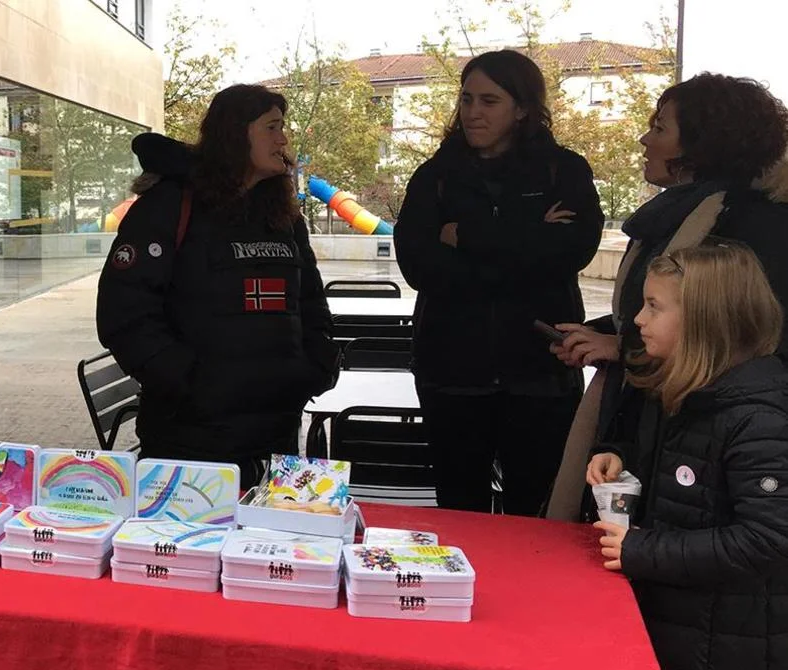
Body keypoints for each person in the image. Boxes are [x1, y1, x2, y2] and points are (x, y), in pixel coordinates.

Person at [547, 73, 788, 521]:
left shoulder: (755, 227)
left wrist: (623, 346)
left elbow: (743, 333)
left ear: (701, 143)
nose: (645, 140)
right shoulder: (679, 214)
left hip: (695, 435)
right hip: (646, 418)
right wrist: (601, 334)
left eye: (659, 128)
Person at [95, 84, 340, 489]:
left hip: (275, 437)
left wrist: (316, 365)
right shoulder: (169, 206)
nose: (283, 140)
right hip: (190, 442)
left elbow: (310, 301)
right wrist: (192, 385)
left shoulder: (283, 215)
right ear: (235, 133)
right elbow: (125, 315)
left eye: (283, 128)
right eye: (272, 127)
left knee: (266, 531)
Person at [393, 49, 603, 515]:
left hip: (540, 372)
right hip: (452, 371)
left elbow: (571, 250)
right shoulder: (434, 177)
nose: (473, 112)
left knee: (537, 513)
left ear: (523, 108)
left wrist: (465, 237)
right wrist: (528, 239)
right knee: (460, 511)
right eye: (466, 99)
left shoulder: (563, 170)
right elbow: (419, 267)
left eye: (489, 101)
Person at [587, 244, 788, 670]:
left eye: (654, 306)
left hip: (730, 664)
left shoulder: (757, 419)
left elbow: (769, 538)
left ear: (704, 319)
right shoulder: (687, 393)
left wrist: (643, 550)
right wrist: (622, 458)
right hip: (689, 638)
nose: (639, 320)